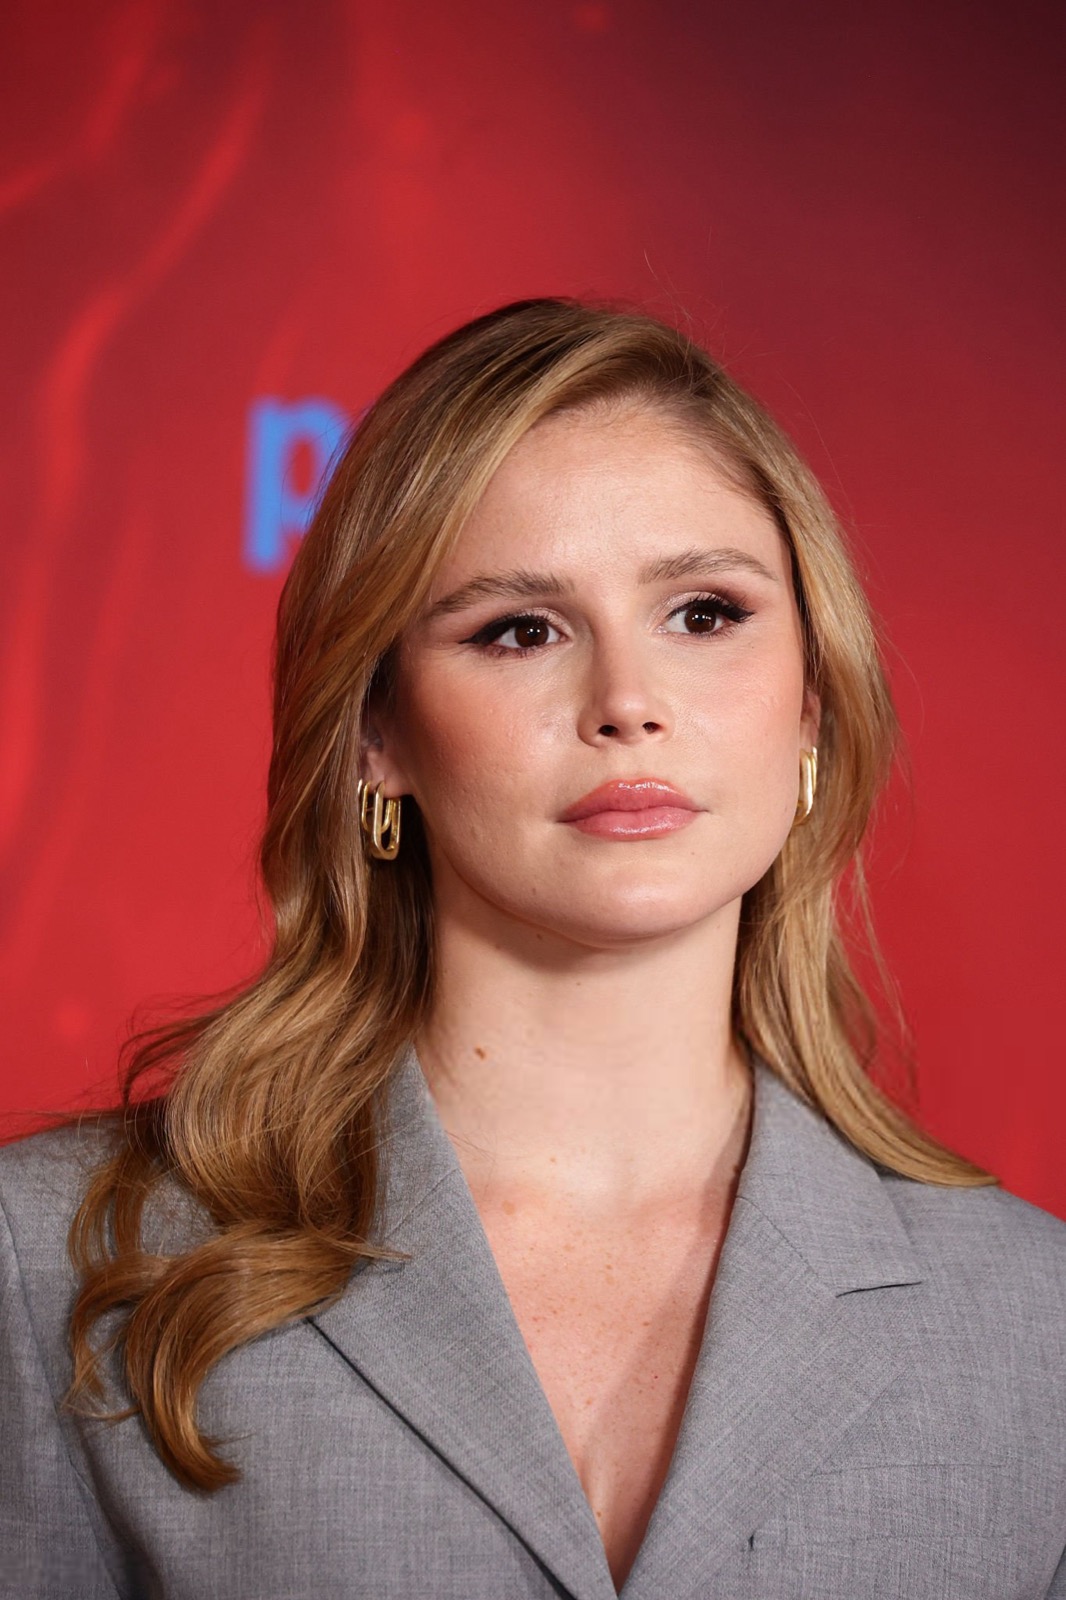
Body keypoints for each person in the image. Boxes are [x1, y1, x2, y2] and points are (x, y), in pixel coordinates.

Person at [1, 299, 1063, 1600]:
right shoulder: (53, 1263)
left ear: (810, 705)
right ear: (376, 736)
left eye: (703, 612)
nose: (627, 703)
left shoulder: (1037, 1325)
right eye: (520, 629)